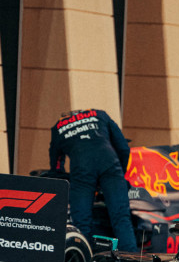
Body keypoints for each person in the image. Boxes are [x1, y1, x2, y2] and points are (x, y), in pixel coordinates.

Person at [50, 108, 138, 252]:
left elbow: (56, 165)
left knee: (82, 222)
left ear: (65, 117)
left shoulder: (58, 127)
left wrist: (65, 179)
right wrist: (119, 173)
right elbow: (123, 147)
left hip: (81, 169)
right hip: (109, 163)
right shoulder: (99, 114)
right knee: (121, 218)